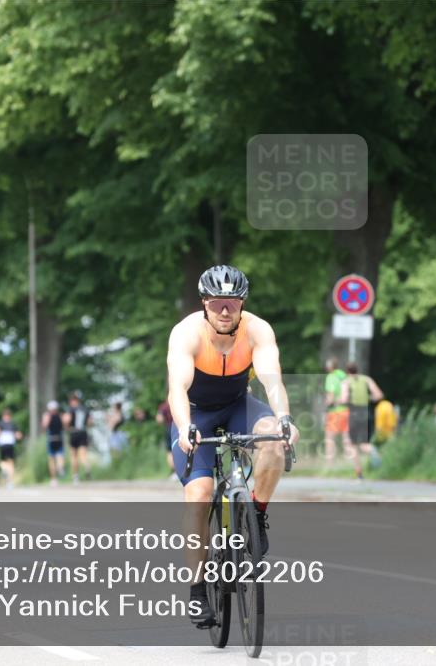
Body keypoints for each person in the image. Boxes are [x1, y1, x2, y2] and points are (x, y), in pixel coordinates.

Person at [167, 265, 298, 628]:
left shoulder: (258, 330)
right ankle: (197, 591)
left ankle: (256, 514)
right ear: (204, 303)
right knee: (200, 495)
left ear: (242, 303)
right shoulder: (186, 334)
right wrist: (184, 427)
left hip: (240, 405)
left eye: (233, 303)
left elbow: (272, 381)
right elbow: (177, 387)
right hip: (195, 414)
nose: (225, 311)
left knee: (273, 436)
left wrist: (284, 418)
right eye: (217, 304)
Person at [341, 361, 385, 470]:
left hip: (354, 413)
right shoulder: (366, 379)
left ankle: (359, 474)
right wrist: (368, 398)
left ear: (347, 371)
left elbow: (344, 398)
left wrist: (339, 401)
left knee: (353, 445)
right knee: (365, 444)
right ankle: (373, 451)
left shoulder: (346, 382)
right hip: (366, 412)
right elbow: (379, 395)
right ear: (357, 370)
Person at [323, 358, 352, 465]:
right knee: (346, 436)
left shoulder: (331, 377)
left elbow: (330, 396)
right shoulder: (343, 375)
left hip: (335, 411)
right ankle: (349, 460)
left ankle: (329, 463)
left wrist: (326, 402)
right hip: (346, 410)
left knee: (329, 437)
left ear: (330, 366)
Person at [65, 391, 91, 484]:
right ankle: (87, 466)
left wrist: (67, 427)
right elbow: (90, 422)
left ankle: (75, 476)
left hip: (74, 432)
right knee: (83, 454)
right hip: (83, 432)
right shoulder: (85, 409)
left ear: (73, 400)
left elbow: (67, 420)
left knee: (74, 455)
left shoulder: (71, 409)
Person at [0, 409, 22, 489]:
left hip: (3, 444)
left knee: (2, 461)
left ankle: (5, 470)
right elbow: (18, 435)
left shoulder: (0, 423)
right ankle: (10, 482)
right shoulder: (13, 424)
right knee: (11, 463)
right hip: (10, 444)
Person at [42, 400, 66, 486]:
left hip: (52, 438)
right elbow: (64, 426)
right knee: (59, 457)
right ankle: (59, 470)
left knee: (52, 459)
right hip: (57, 437)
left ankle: (54, 477)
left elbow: (44, 426)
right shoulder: (60, 416)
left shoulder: (47, 416)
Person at [156, 399, 175, 476]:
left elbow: (159, 419)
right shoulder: (180, 402)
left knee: (169, 452)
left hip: (169, 429)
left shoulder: (163, 406)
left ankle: (174, 472)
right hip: (180, 428)